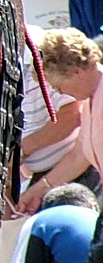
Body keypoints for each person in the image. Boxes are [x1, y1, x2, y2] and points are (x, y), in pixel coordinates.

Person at [17, 29, 103, 212]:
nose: (59, 93)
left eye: (58, 86)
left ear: (76, 72)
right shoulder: (89, 103)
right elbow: (78, 158)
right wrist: (35, 192)